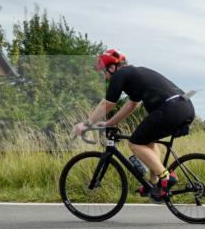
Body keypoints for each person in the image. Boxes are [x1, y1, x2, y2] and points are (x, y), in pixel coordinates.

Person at [72, 49, 194, 201]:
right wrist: (110, 123)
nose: (104, 76)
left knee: (135, 143)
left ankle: (166, 178)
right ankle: (154, 182)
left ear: (112, 67)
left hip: (171, 108)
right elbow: (131, 105)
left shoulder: (120, 74)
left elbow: (108, 103)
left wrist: (86, 124)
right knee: (147, 142)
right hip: (185, 106)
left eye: (104, 71)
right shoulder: (134, 75)